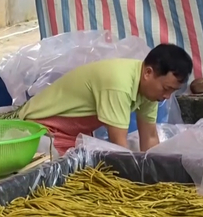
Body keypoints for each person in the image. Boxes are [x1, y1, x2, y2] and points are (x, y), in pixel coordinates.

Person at [16, 43, 193, 156]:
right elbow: (119, 147)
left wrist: (157, 175)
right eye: (166, 88)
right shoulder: (118, 82)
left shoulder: (149, 91)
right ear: (148, 73)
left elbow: (150, 138)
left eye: (172, 91)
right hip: (40, 129)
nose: (166, 97)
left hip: (72, 136)